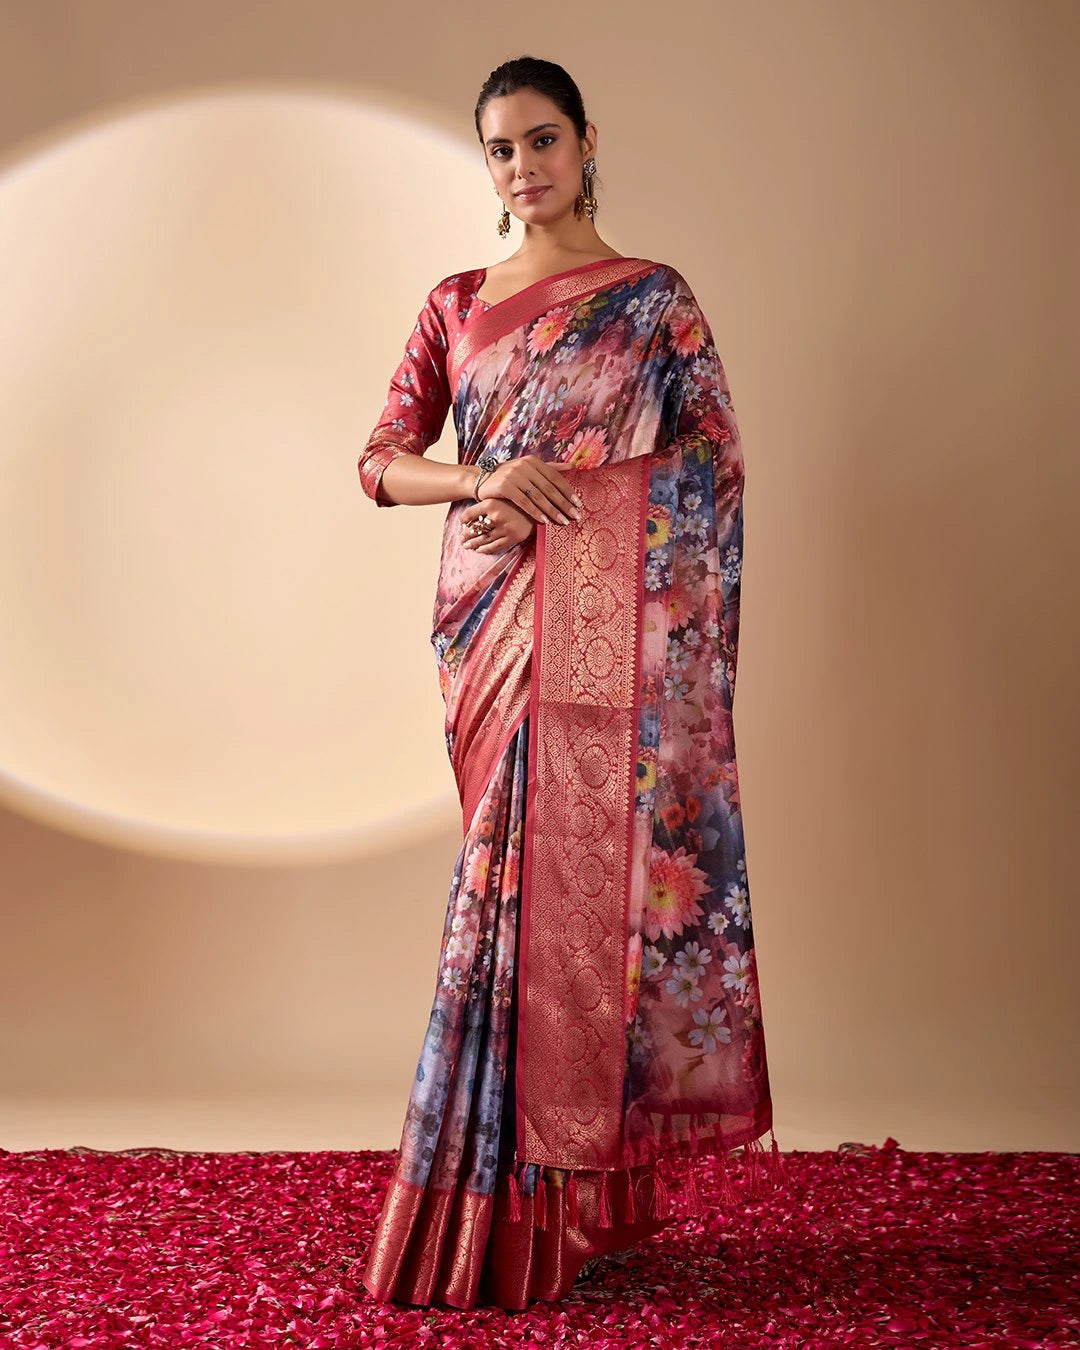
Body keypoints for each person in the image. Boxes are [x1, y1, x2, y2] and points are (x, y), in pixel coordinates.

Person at [356, 55, 783, 1311]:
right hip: (489, 626)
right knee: (508, 892)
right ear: (484, 164)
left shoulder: (653, 300)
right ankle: (495, 1204)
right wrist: (484, 481)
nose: (523, 167)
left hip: (601, 637)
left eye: (543, 141)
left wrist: (581, 500)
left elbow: (717, 464)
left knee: (561, 900)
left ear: (588, 143)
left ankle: (548, 1209)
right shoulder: (455, 302)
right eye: (500, 149)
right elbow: (381, 460)